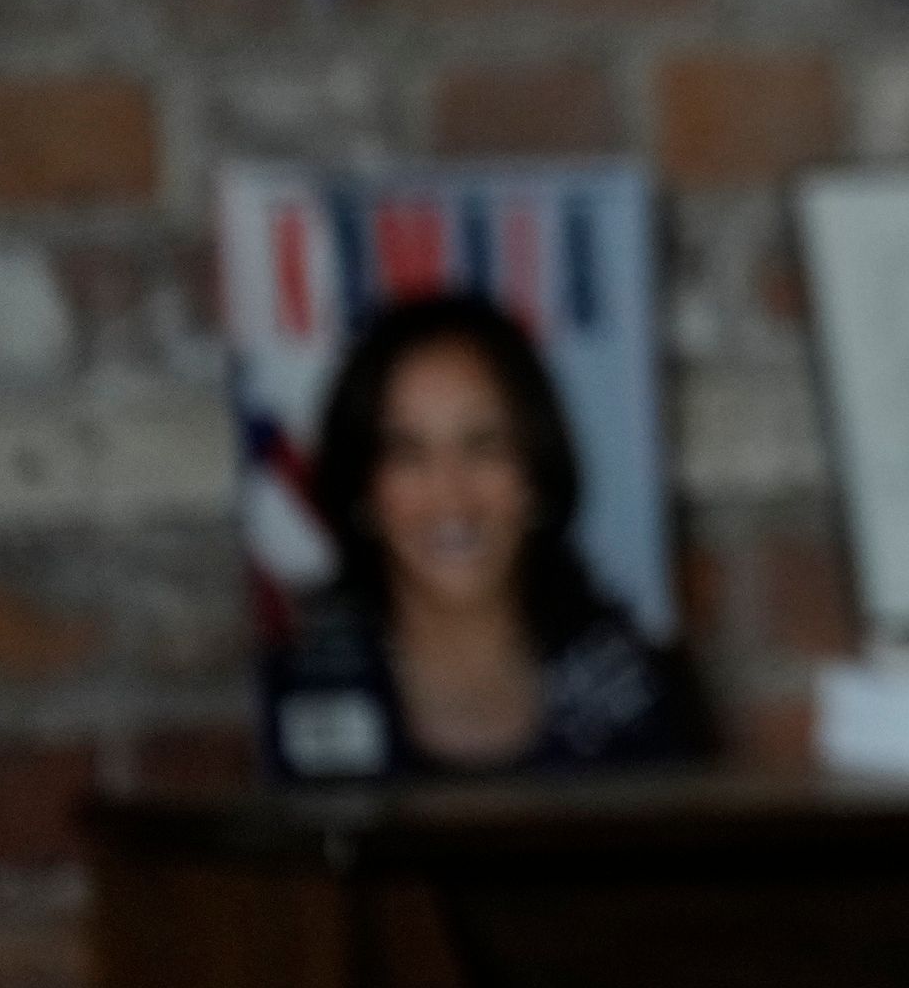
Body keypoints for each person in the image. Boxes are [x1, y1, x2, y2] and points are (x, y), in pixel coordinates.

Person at [267, 290, 706, 778]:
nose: (452, 496)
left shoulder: (636, 695)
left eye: (483, 446)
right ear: (363, 490)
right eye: (409, 454)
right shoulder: (299, 692)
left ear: (535, 473)